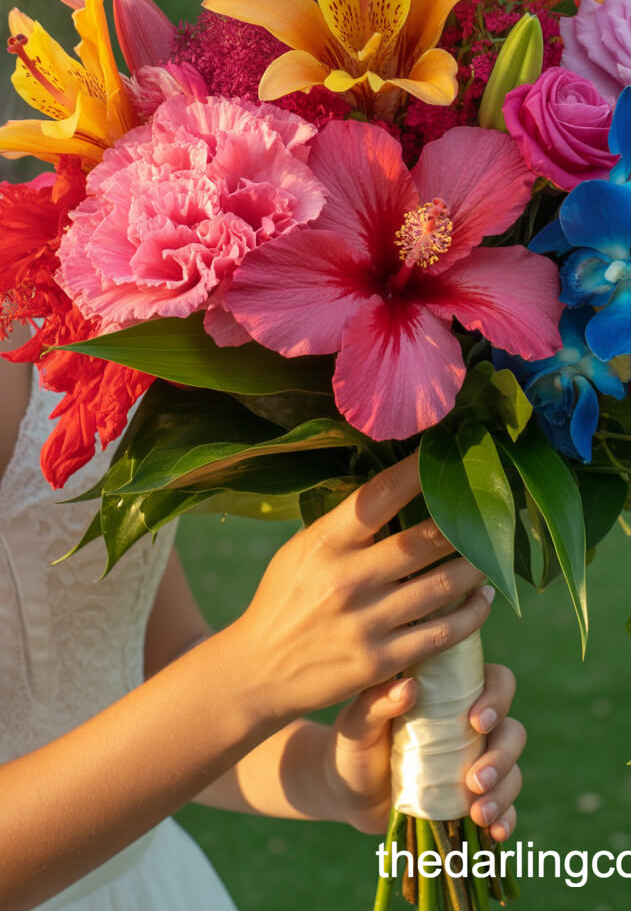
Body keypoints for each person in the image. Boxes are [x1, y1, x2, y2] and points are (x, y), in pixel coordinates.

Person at [0, 330, 526, 911]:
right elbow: (220, 688)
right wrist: (249, 674)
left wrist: (330, 775)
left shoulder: (72, 281)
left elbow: (150, 667)